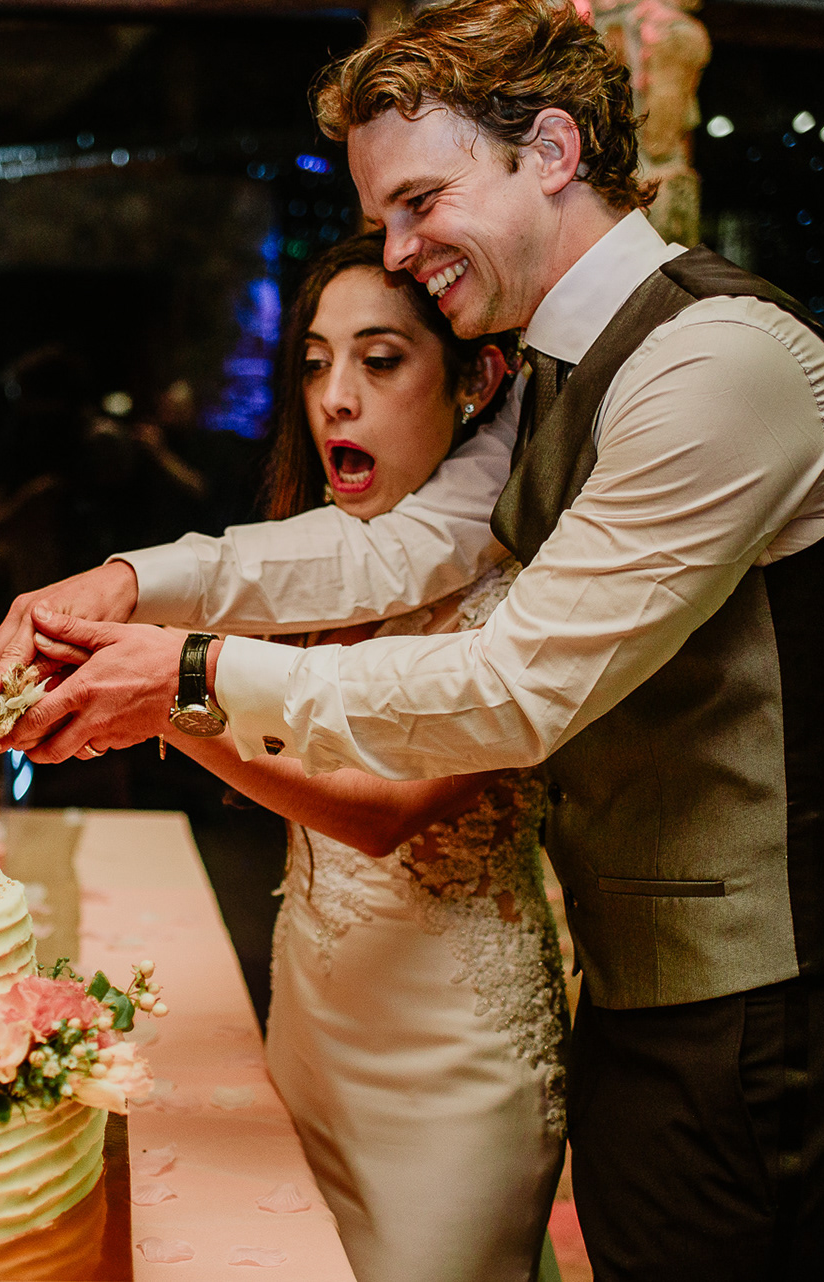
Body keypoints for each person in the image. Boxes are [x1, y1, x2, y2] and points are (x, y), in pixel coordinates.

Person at [0, 3, 824, 1278]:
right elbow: (387, 550)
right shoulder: (553, 374)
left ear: (551, 152)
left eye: (421, 202)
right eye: (383, 217)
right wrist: (129, 582)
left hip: (773, 1019)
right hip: (642, 1002)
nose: (399, 248)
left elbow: (515, 685)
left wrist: (192, 673)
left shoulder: (717, 364)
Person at [160, 230, 565, 1282]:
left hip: (450, 1065)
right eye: (314, 363)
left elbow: (381, 812)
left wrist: (168, 696)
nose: (335, 398)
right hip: (310, 1019)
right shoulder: (317, 568)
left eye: (379, 361)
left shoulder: (522, 594)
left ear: (479, 381)